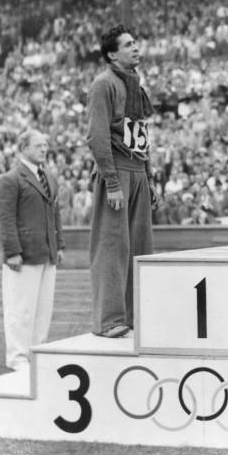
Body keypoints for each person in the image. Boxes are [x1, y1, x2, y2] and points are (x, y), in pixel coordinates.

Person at [87, 25, 155, 338]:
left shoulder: (137, 85)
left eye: (136, 42)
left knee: (140, 248)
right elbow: (97, 136)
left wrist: (149, 177)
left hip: (138, 171)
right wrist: (112, 182)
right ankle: (109, 320)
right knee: (112, 246)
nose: (136, 47)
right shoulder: (103, 84)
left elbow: (142, 133)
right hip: (117, 170)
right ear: (113, 54)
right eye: (128, 44)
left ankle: (135, 315)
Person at [0, 130, 65, 371]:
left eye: (45, 145)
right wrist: (12, 251)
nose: (44, 149)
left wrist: (60, 245)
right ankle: (17, 357)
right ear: (22, 148)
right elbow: (5, 219)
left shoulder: (49, 177)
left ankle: (37, 352)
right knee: (20, 309)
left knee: (42, 310)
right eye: (38, 145)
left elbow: (55, 214)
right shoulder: (10, 179)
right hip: (23, 256)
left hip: (46, 253)